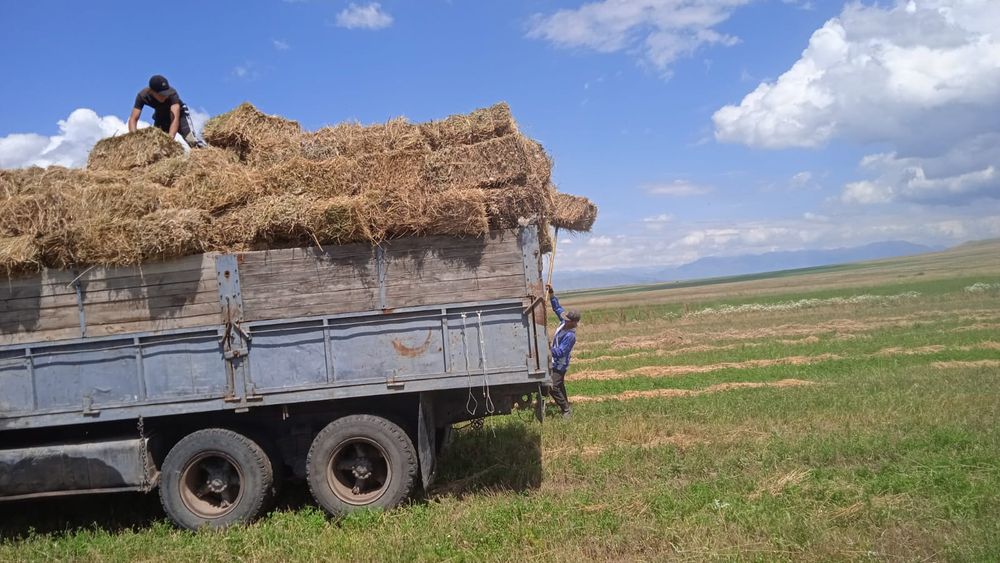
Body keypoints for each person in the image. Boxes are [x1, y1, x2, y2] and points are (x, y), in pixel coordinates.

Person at [128, 75, 205, 148]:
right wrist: (135, 139)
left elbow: (175, 119)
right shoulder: (142, 95)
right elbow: (133, 119)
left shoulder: (172, 94)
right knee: (157, 145)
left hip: (179, 115)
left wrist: (169, 141)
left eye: (166, 93)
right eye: (162, 94)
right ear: (152, 91)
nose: (165, 96)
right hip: (161, 116)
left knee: (191, 140)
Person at [547, 283, 581, 418]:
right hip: (554, 361)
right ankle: (566, 406)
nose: (565, 321)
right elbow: (557, 308)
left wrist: (548, 349)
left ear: (574, 322)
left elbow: (561, 352)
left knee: (552, 386)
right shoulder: (563, 322)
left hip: (560, 365)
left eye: (568, 321)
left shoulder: (570, 336)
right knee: (559, 386)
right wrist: (551, 293)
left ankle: (566, 410)